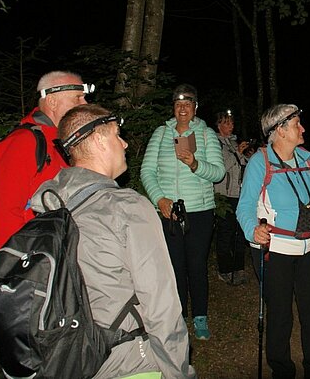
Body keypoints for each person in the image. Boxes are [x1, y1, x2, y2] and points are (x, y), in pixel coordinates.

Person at [31, 104, 197, 379]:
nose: (125, 142)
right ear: (98, 139)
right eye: (117, 134)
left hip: (67, 358)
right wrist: (179, 372)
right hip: (126, 360)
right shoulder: (128, 208)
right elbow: (161, 308)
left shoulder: (47, 206)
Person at [236, 104, 310, 379]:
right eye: (297, 124)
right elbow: (245, 207)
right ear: (280, 131)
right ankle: (282, 371)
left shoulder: (308, 159)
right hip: (277, 249)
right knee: (281, 315)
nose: (303, 128)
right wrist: (253, 230)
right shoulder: (260, 163)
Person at [140, 84, 225, 341]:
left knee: (196, 265)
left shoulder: (207, 134)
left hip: (199, 211)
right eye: (178, 104)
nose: (183, 108)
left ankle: (200, 317)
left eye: (188, 103)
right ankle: (177, 315)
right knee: (173, 266)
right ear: (173, 108)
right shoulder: (161, 133)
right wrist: (160, 199)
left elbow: (219, 173)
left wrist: (195, 164)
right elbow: (147, 171)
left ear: (195, 107)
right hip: (169, 211)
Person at [0, 70, 92, 250]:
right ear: (52, 101)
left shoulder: (62, 144)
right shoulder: (23, 141)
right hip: (33, 262)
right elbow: (3, 212)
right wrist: (23, 263)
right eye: (78, 98)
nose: (85, 103)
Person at [214, 110, 249, 285]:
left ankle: (239, 268)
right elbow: (220, 169)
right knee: (225, 232)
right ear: (219, 125)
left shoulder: (234, 143)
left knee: (240, 232)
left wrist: (244, 155)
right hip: (223, 195)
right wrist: (237, 153)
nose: (230, 126)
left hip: (239, 194)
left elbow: (241, 165)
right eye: (227, 123)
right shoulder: (214, 144)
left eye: (232, 123)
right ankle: (225, 269)